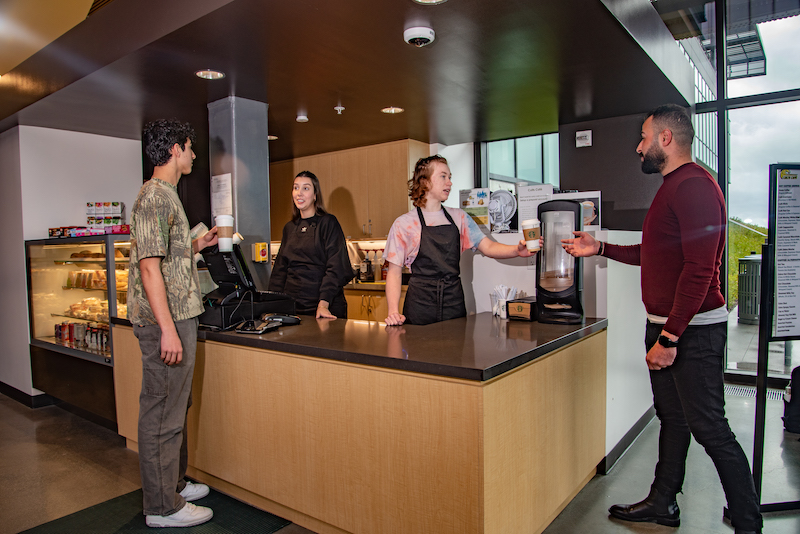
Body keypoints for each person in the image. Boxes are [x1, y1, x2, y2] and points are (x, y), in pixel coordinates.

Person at [562, 104, 762, 534]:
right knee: (671, 417)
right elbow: (653, 255)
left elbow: (700, 269)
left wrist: (669, 338)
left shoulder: (694, 187)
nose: (638, 146)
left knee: (710, 427)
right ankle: (662, 503)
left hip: (691, 332)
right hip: (667, 326)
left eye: (644, 137)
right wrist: (599, 248)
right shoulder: (674, 187)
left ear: (666, 139)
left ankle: (749, 523)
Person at [129, 119, 218, 528]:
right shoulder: (154, 198)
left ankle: (174, 485)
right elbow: (149, 270)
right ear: (176, 150)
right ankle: (162, 508)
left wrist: (196, 245)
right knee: (162, 411)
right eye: (190, 148)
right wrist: (167, 329)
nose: (194, 156)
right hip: (167, 321)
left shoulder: (167, 196)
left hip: (181, 316)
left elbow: (166, 259)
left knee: (177, 405)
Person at [384, 155, 537, 326]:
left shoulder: (459, 217)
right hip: (420, 304)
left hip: (453, 301)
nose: (449, 182)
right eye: (443, 176)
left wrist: (516, 250)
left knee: (456, 352)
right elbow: (394, 272)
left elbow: (488, 247)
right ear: (425, 182)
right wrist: (393, 312)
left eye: (450, 177)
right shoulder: (404, 224)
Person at [268, 171, 354, 318]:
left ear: (315, 195)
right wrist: (271, 305)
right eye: (296, 188)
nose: (299, 193)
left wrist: (323, 305)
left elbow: (336, 267)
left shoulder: (328, 223)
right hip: (293, 307)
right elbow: (279, 272)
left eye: (306, 188)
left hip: (324, 307)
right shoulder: (289, 228)